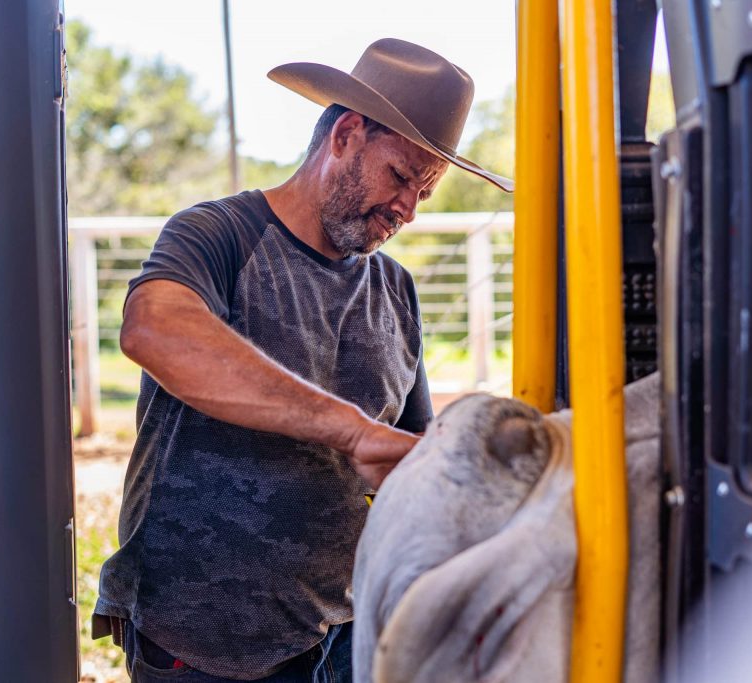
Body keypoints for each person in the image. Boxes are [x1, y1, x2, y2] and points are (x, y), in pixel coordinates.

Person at [91, 37, 513, 682]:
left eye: (424, 193)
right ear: (345, 134)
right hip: (203, 643)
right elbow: (154, 330)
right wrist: (350, 429)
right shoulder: (217, 234)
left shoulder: (394, 288)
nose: (407, 209)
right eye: (401, 176)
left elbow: (409, 449)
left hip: (345, 632)